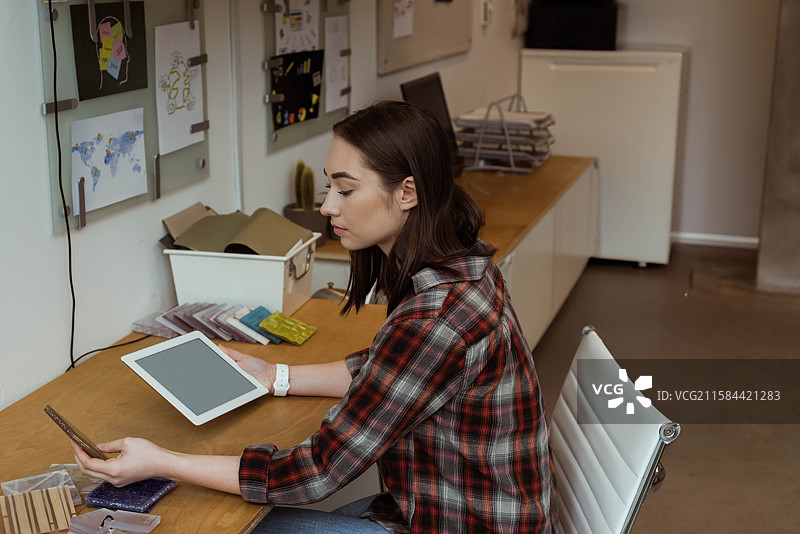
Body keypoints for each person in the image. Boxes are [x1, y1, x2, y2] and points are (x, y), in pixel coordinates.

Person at [72, 101, 558, 533]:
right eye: (329, 187)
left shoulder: (436, 318)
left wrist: (163, 462)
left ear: (407, 192)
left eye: (345, 190)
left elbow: (316, 473)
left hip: (456, 520)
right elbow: (389, 371)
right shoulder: (463, 265)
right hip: (442, 505)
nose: (328, 206)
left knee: (218, 519)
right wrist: (275, 376)